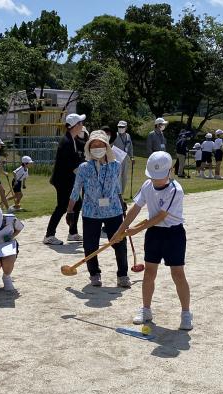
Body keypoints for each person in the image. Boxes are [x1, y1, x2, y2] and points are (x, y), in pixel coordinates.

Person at [111, 151, 193, 331]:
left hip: (174, 234)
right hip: (154, 234)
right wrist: (120, 230)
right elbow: (136, 209)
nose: (156, 181)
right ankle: (146, 310)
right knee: (149, 272)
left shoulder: (175, 190)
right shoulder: (148, 185)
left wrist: (135, 230)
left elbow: (160, 216)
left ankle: (186, 313)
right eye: (153, 177)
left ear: (170, 171)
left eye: (160, 177)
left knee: (178, 274)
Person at [66, 130, 131, 288]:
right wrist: (70, 211)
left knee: (119, 243)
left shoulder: (116, 165)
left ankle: (122, 274)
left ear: (106, 147)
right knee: (90, 245)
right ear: (89, 148)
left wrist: (122, 203)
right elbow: (76, 190)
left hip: (113, 211)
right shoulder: (83, 167)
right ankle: (94, 274)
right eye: (93, 145)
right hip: (91, 211)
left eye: (100, 145)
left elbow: (116, 187)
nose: (97, 148)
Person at [44, 113, 86, 245]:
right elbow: (73, 166)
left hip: (67, 179)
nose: (82, 125)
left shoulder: (72, 139)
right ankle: (49, 235)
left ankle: (72, 233)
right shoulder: (67, 142)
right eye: (80, 123)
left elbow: (83, 148)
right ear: (74, 126)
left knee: (77, 203)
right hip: (62, 180)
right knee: (62, 207)